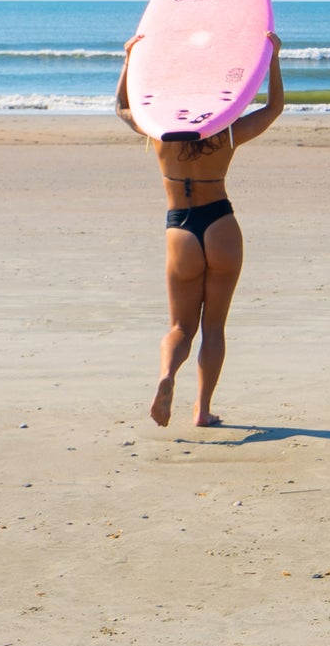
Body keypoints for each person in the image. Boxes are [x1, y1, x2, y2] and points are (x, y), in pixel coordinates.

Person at [116, 32, 285, 429]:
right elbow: (274, 107)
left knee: (180, 326)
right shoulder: (225, 134)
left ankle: (166, 376)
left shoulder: (157, 134)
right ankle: (202, 409)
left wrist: (128, 59)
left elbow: (122, 106)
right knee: (214, 326)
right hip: (221, 224)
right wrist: (273, 57)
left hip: (181, 230)